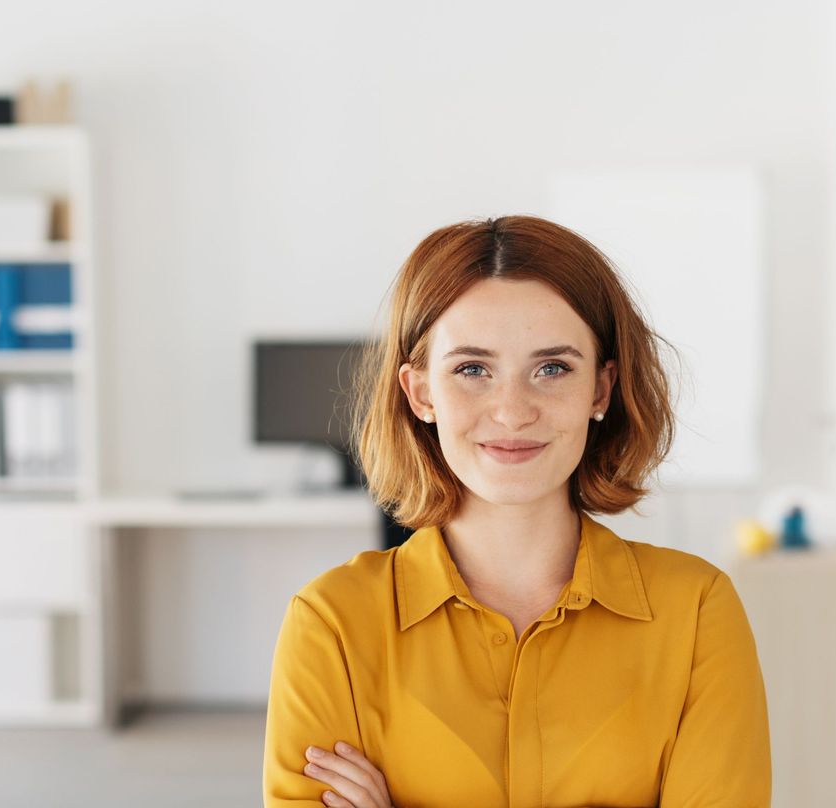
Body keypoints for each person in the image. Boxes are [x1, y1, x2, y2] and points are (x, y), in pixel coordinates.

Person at [262, 215, 771, 807]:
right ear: (421, 391)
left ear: (600, 390)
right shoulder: (330, 624)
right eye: (472, 369)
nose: (512, 411)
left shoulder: (698, 612)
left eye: (552, 368)